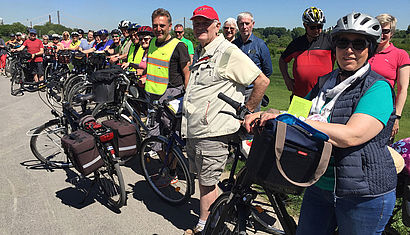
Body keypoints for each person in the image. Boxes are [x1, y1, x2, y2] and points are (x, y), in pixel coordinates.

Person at [245, 12, 396, 235]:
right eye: (343, 42)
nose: (349, 50)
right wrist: (273, 113)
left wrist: (292, 119)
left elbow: (351, 135)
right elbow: (298, 113)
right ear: (335, 47)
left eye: (359, 44)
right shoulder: (325, 82)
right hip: (320, 185)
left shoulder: (377, 88)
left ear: (370, 49)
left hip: (363, 193)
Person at [182, 5, 270, 234]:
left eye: (205, 23)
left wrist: (248, 110)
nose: (200, 27)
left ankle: (207, 227)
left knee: (208, 182)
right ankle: (214, 220)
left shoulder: (227, 51)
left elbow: (261, 81)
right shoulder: (202, 50)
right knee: (205, 181)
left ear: (216, 26)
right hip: (197, 128)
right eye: (196, 23)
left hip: (213, 130)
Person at [369, 14, 410, 139]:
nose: (381, 34)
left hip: (384, 111)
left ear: (391, 33)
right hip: (359, 107)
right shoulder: (364, 51)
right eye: (378, 30)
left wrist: (396, 117)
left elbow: (403, 89)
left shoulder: (400, 55)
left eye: (385, 31)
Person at [279, 7, 334, 98]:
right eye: (313, 27)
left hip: (322, 96)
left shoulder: (329, 40)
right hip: (299, 96)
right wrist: (287, 79)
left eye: (320, 26)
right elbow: (282, 60)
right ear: (305, 25)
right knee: (296, 113)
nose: (317, 30)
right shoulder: (296, 43)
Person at [233, 11, 272, 111]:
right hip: (235, 89)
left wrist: (259, 87)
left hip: (252, 90)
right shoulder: (233, 45)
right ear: (237, 25)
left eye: (247, 23)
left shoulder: (260, 45)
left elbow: (268, 70)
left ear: (253, 24)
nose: (244, 27)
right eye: (241, 24)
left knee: (250, 122)